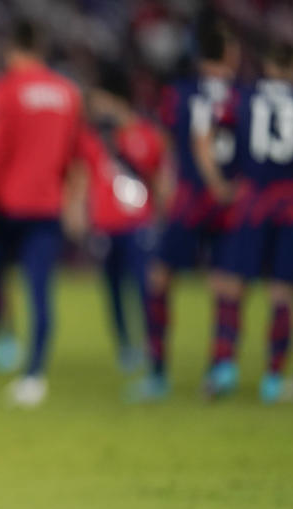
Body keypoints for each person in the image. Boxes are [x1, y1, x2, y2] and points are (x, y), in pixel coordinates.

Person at [0, 20, 83, 407]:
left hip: (5, 204)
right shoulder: (67, 93)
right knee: (40, 292)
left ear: (14, 51)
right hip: (46, 204)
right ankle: (33, 377)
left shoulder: (4, 90)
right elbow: (72, 153)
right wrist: (70, 199)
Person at [133, 18, 242, 400]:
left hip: (189, 197)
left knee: (160, 279)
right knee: (226, 283)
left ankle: (158, 373)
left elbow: (166, 150)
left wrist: (163, 199)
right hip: (230, 198)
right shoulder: (240, 93)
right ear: (228, 54)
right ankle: (222, 368)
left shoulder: (178, 93)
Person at [78, 65, 170, 372]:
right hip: (105, 227)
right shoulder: (92, 140)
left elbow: (159, 181)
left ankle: (150, 343)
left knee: (145, 288)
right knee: (113, 290)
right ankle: (125, 347)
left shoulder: (146, 134)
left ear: (117, 99)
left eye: (99, 100)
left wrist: (160, 219)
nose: (94, 108)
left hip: (138, 226)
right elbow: (84, 178)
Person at [229, 41, 293, 403]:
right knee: (282, 291)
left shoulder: (244, 96)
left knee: (233, 282)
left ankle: (223, 366)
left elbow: (222, 139)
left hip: (253, 200)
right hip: (291, 203)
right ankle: (274, 378)